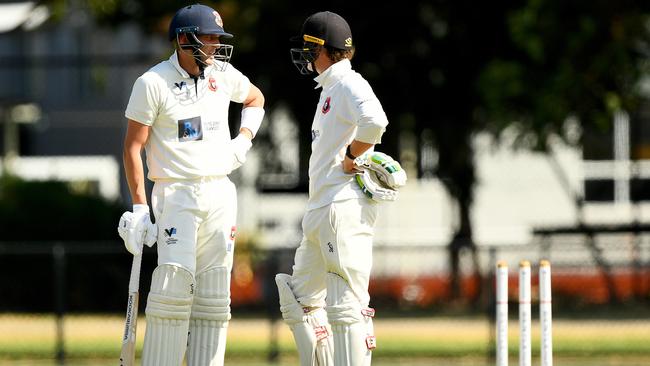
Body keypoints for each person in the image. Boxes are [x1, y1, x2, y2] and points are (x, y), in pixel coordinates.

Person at [117, 4, 264, 366]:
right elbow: (133, 147)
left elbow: (255, 99)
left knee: (214, 294)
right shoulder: (152, 83)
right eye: (209, 38)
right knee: (173, 287)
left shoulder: (222, 74)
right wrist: (139, 206)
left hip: (219, 192)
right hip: (176, 193)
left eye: (218, 38)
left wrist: (242, 141)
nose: (215, 46)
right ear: (184, 39)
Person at [276, 10, 405, 366]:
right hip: (321, 208)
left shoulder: (349, 83)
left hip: (344, 206)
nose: (303, 56)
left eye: (307, 48)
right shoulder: (330, 88)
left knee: (347, 307)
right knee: (298, 299)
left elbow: (375, 122)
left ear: (320, 49)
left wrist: (352, 155)